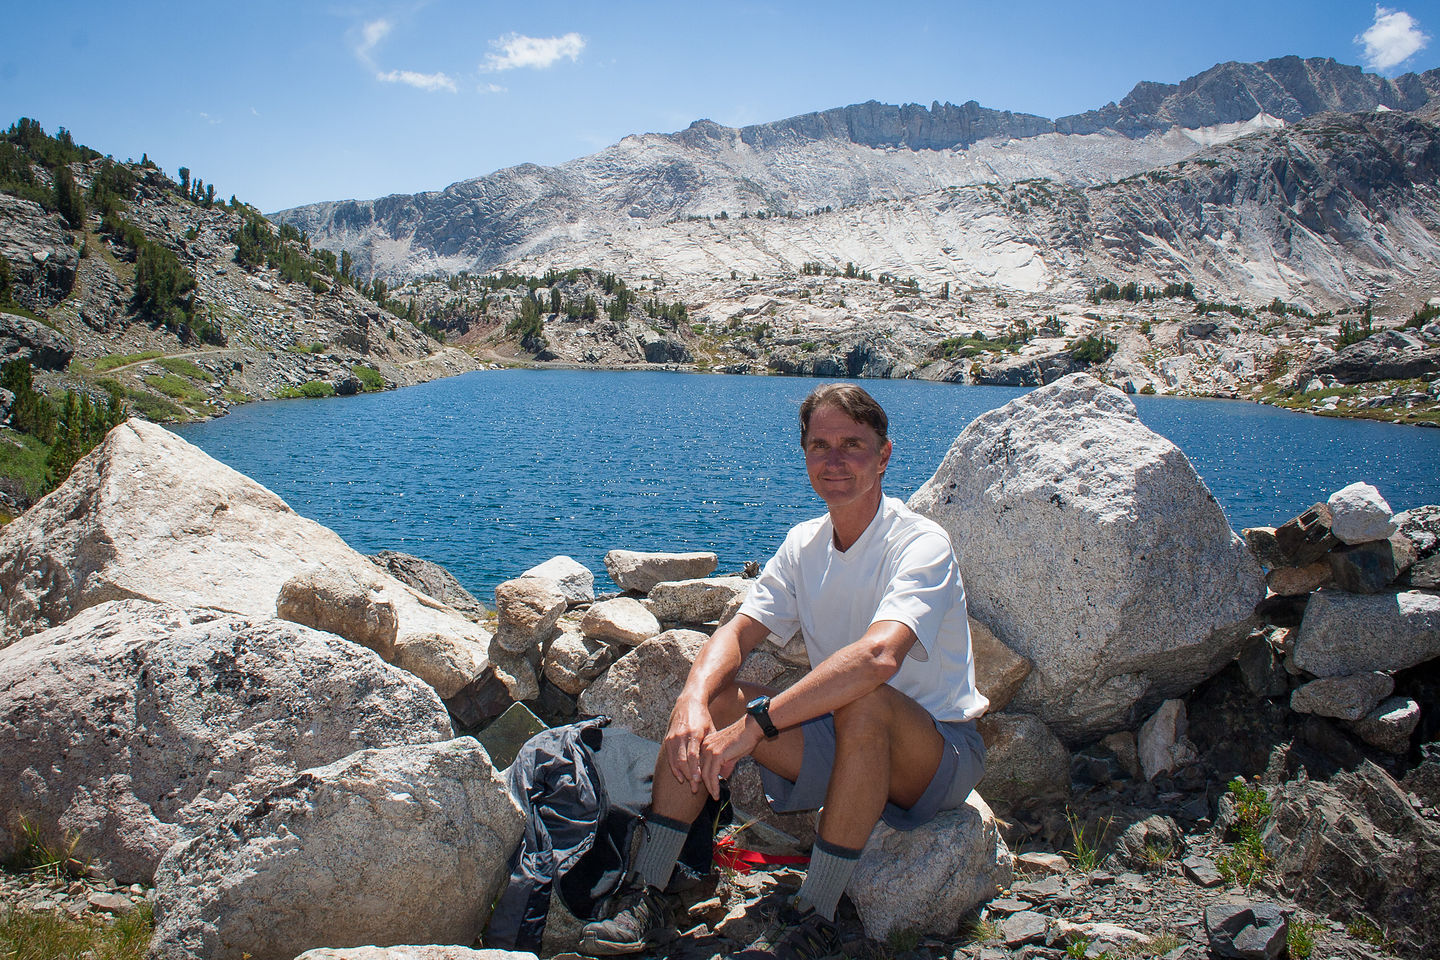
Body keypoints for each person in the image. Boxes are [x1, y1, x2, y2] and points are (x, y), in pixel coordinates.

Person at [580, 383, 988, 960]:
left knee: (863, 699)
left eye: (852, 444)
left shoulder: (920, 543)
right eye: (820, 445)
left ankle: (816, 913)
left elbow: (878, 657)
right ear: (804, 454)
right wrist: (692, 700)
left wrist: (757, 726)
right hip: (844, 738)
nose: (834, 460)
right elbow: (737, 632)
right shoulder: (805, 544)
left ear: (884, 455)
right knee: (714, 697)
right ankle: (649, 889)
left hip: (936, 753)